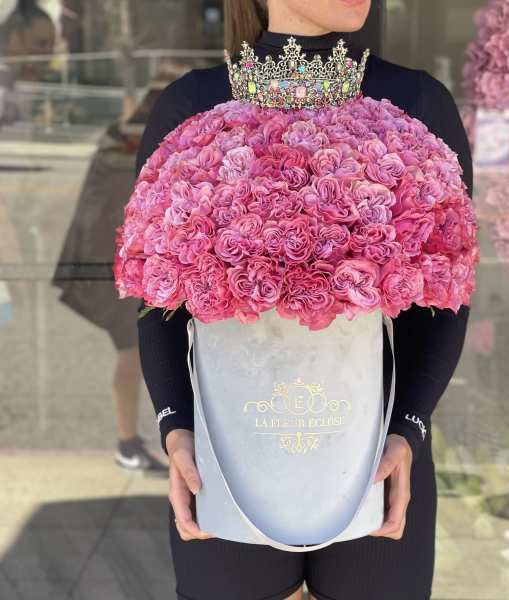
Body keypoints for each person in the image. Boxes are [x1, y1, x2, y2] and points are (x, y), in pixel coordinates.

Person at [134, 1, 472, 598]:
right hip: (226, 452)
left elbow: (448, 292)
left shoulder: (417, 102)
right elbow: (154, 289)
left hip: (377, 451)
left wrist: (408, 428)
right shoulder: (193, 103)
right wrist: (175, 426)